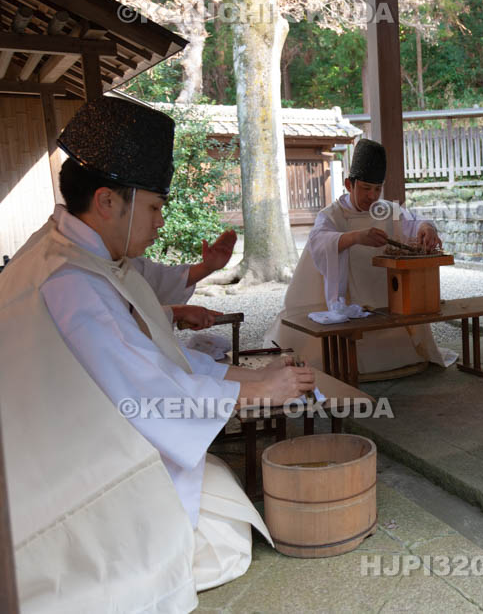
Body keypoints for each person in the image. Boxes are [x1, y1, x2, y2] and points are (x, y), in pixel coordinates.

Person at [0, 97, 315, 612]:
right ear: (107, 201)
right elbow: (150, 389)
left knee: (219, 496)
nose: (160, 221)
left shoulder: (69, 248)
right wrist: (256, 389)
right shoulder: (71, 283)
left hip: (54, 444)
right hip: (56, 479)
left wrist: (246, 375)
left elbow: (145, 320)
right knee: (222, 541)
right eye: (153, 207)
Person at [265, 138, 456, 375]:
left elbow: (414, 222)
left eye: (377, 189)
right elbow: (319, 242)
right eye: (366, 188)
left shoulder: (386, 209)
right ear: (349, 184)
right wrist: (355, 237)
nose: (372, 196)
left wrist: (427, 228)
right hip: (348, 298)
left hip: (385, 296)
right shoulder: (332, 215)